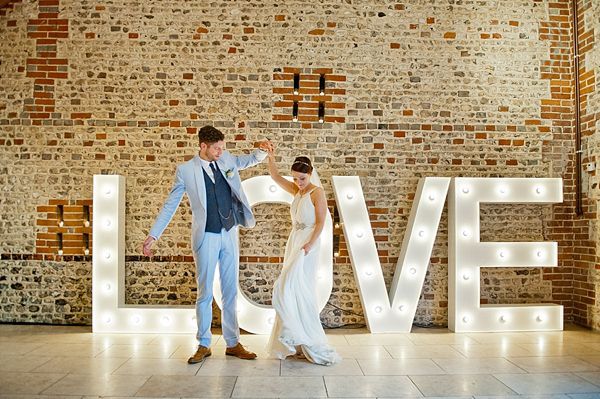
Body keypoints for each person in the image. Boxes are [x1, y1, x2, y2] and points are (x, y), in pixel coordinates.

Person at [142, 125, 271, 363]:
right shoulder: (186, 171)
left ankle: (233, 343)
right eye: (216, 148)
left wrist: (261, 151)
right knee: (205, 293)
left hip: (229, 232)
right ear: (203, 146)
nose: (221, 152)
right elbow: (171, 204)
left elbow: (249, 160)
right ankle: (203, 344)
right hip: (206, 235)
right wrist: (154, 235)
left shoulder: (226, 159)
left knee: (231, 291)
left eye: (223, 147)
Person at [265, 147, 340, 366]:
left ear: (310, 174)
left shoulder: (316, 192)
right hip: (295, 241)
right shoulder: (296, 190)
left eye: (302, 178)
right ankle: (297, 343)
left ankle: (306, 339)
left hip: (308, 243)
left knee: (292, 287)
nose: (298, 182)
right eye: (296, 178)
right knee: (293, 291)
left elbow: (321, 222)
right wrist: (271, 158)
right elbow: (275, 176)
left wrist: (309, 244)